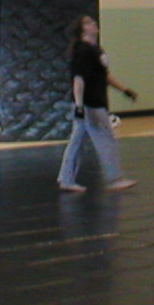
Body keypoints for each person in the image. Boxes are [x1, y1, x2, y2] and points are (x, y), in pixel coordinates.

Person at [57, 15, 139, 193]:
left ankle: (66, 179)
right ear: (82, 29)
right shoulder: (82, 51)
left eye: (92, 21)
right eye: (88, 23)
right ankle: (115, 179)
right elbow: (78, 80)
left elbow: (104, 75)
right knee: (105, 140)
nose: (93, 23)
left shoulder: (95, 50)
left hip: (91, 104)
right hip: (91, 105)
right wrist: (79, 106)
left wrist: (124, 90)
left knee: (77, 143)